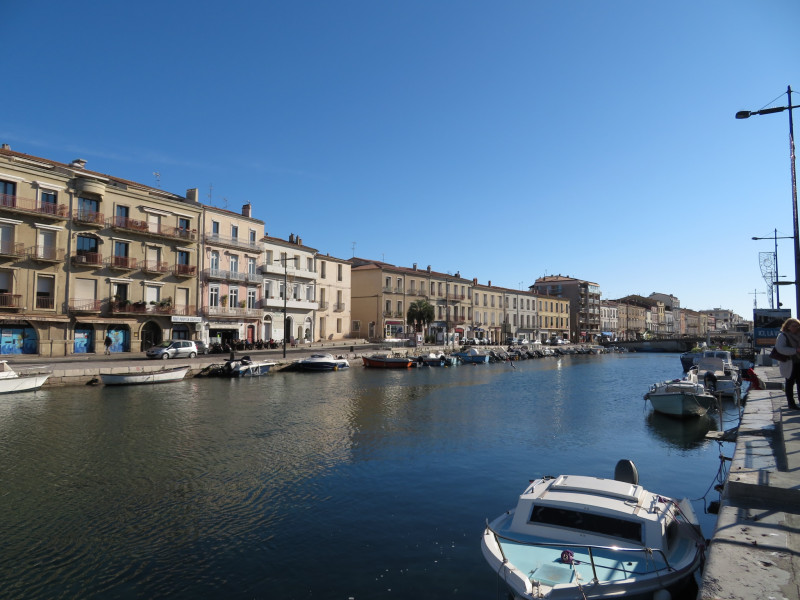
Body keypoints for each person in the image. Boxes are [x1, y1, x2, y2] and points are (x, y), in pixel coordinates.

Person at [775, 318, 800, 410]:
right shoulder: (783, 336)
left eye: (797, 326)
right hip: (790, 363)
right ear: (788, 326)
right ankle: (791, 403)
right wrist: (795, 350)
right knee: (789, 383)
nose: (796, 328)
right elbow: (780, 348)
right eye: (794, 326)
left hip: (799, 362)